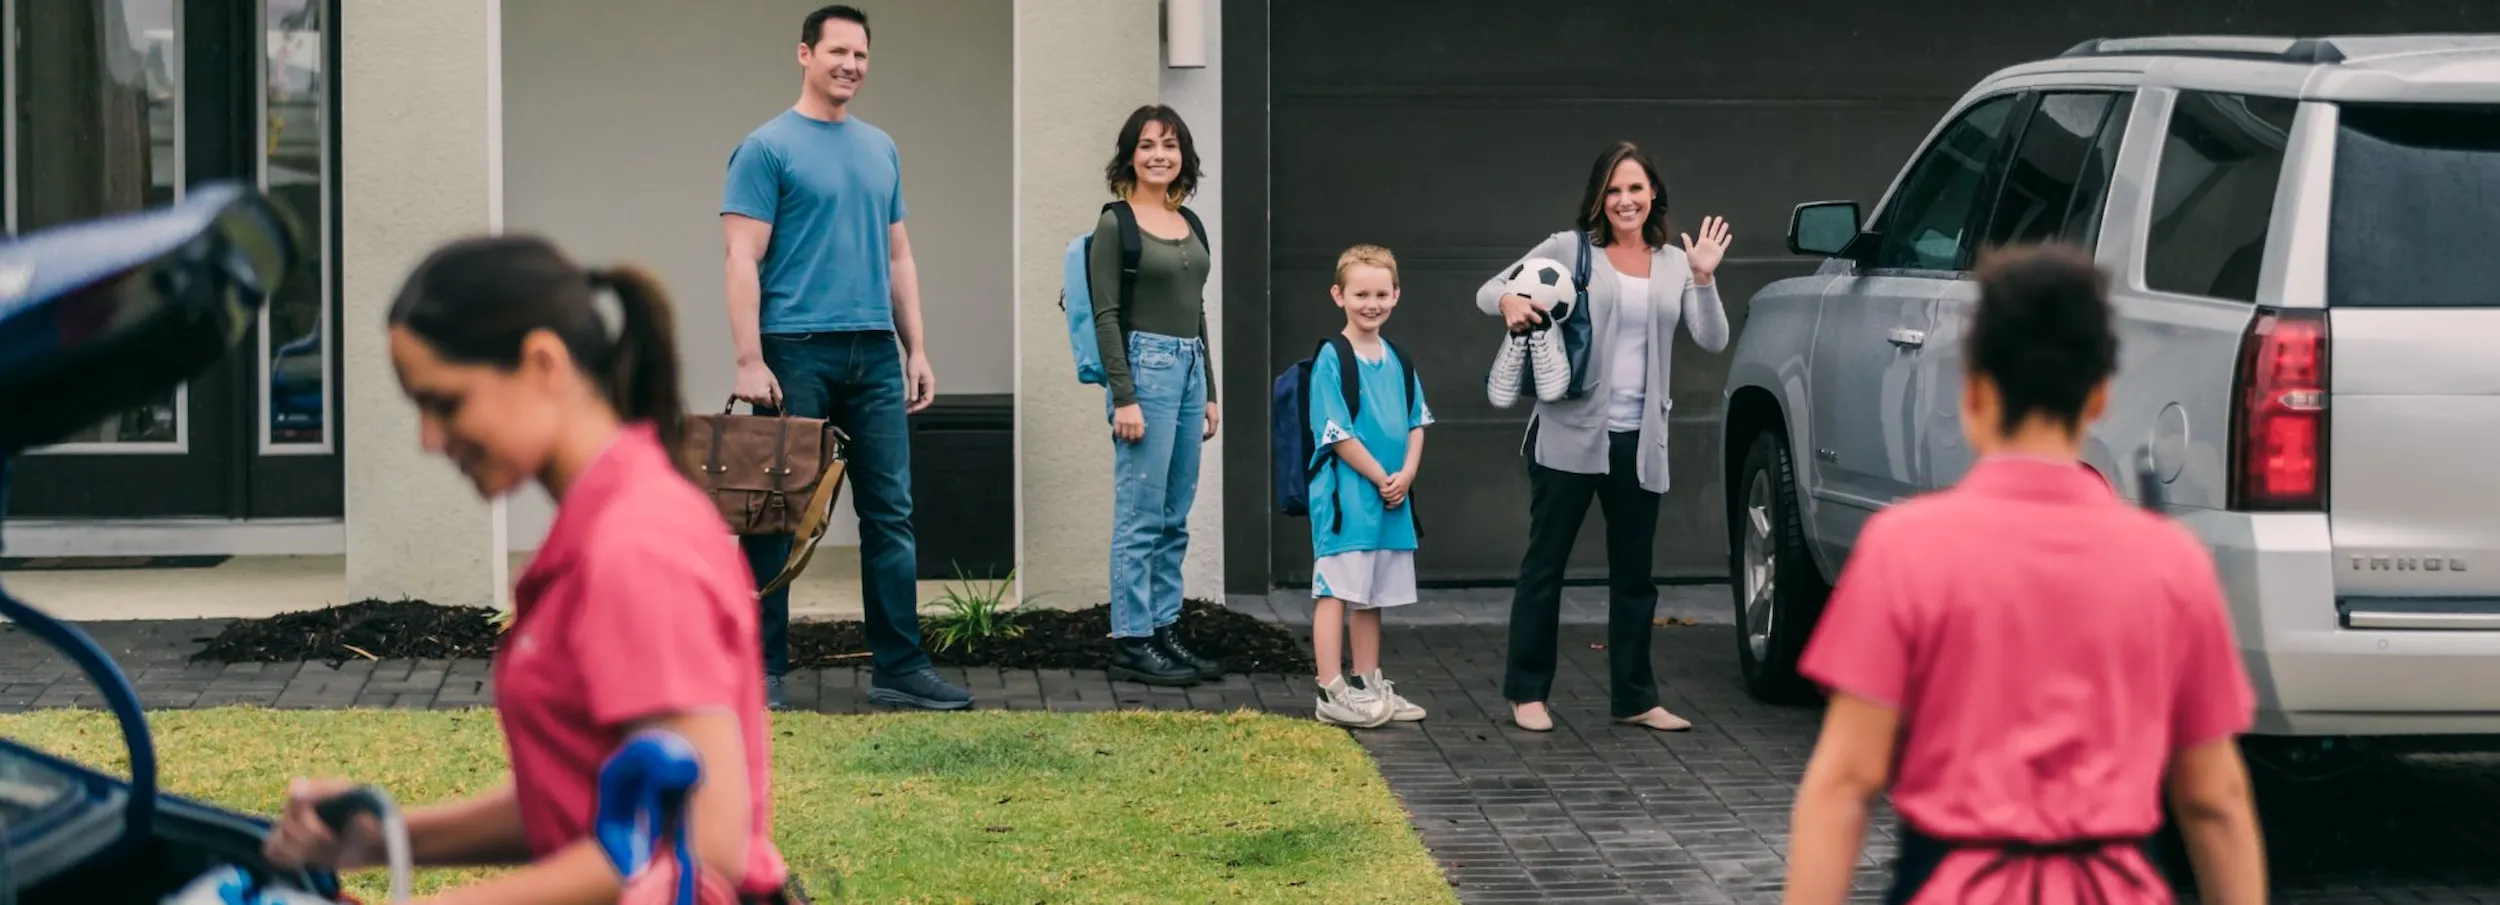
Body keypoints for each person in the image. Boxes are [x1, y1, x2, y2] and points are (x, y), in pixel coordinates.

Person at [261, 235, 800, 904]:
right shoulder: (598, 526)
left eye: (446, 402)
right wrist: (381, 837)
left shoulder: (636, 544)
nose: (429, 438)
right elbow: (583, 800)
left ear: (543, 363)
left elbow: (701, 850)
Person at [1780, 243, 2267, 905]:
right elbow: (2214, 799)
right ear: (2098, 395)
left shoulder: (1906, 550)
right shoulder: (2169, 563)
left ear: (1975, 392)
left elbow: (1844, 783)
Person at [720, 4, 970, 712]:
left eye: (860, 55)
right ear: (805, 55)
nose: (850, 66)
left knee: (891, 513)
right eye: (837, 52)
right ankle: (760, 669)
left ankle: (898, 667)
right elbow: (741, 257)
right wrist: (748, 359)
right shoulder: (765, 148)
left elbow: (898, 255)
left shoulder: (880, 148)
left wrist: (916, 348)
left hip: (874, 354)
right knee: (776, 512)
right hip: (794, 351)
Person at [1475, 141, 1731, 733]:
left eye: (1635, 189)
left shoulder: (1674, 263)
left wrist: (1704, 278)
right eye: (1614, 190)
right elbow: (1488, 292)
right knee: (1546, 567)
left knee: (1635, 578)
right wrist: (1513, 298)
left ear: (1653, 196)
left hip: (1641, 441)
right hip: (1569, 435)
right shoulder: (1570, 251)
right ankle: (1528, 693)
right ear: (1598, 197)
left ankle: (1636, 698)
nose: (1625, 200)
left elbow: (1712, 338)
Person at [1087, 104, 1223, 686]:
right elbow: (1106, 314)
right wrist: (1124, 397)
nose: (1159, 155)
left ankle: (1166, 628)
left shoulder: (1191, 223)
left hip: (1188, 370)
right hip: (1146, 370)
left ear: (1183, 158)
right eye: (1147, 145)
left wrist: (1211, 389)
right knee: (1140, 516)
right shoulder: (1116, 223)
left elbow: (1196, 312)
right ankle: (1132, 639)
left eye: (1169, 145)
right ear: (1130, 155)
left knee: (1174, 515)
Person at [1304, 244, 1433, 728]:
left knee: (1371, 594)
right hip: (1349, 498)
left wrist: (1408, 473)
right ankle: (1330, 689)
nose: (1371, 303)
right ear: (1339, 295)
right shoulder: (1332, 359)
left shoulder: (1399, 358)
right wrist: (1382, 476)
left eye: (1381, 293)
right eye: (1360, 293)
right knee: (1336, 587)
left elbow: (1416, 421)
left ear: (1396, 295)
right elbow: (1336, 434)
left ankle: (1365, 682)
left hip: (1390, 498)